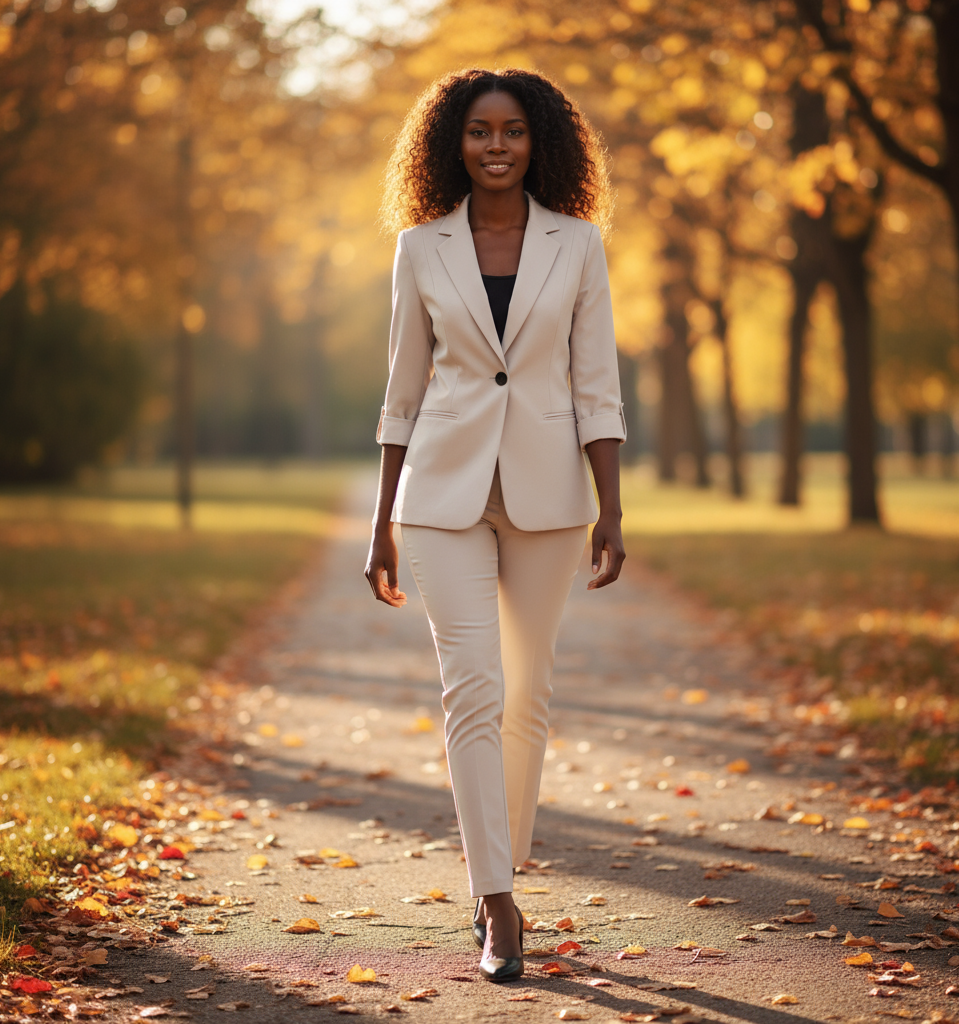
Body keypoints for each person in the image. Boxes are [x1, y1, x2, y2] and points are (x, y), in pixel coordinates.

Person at [364, 67, 625, 984]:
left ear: (539, 140)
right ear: (455, 142)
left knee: (528, 695)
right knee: (471, 686)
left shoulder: (579, 245)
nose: (498, 146)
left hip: (552, 497)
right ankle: (498, 902)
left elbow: (596, 385)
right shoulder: (420, 249)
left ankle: (495, 870)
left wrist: (613, 508)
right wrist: (381, 521)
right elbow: (401, 393)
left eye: (513, 130)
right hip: (441, 497)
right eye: (480, 131)